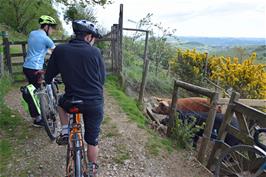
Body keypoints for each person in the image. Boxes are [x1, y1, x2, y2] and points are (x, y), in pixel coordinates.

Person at [45, 19, 105, 176]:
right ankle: (91, 168)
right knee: (92, 140)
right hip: (94, 103)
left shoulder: (60, 50)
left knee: (60, 102)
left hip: (72, 100)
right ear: (88, 37)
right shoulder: (96, 53)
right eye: (94, 38)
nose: (93, 42)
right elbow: (102, 80)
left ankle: (65, 131)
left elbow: (49, 75)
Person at [22, 15, 57, 127]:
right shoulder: (46, 39)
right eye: (51, 27)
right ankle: (42, 115)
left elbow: (38, 49)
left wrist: (45, 52)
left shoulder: (32, 33)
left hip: (27, 67)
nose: (52, 30)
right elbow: (56, 52)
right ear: (46, 26)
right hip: (36, 67)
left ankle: (38, 116)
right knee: (44, 86)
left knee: (33, 91)